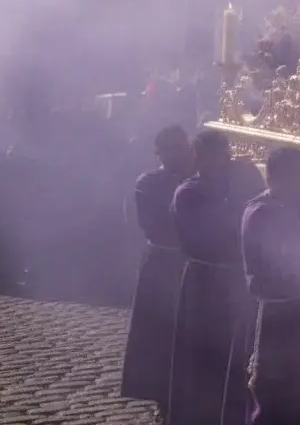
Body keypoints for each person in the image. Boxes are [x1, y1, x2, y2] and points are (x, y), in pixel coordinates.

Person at [167, 130, 263, 425]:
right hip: (205, 280)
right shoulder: (188, 192)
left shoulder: (242, 181)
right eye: (207, 157)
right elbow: (213, 236)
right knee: (202, 354)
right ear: (197, 158)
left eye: (221, 156)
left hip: (236, 283)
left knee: (237, 357)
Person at [240, 146, 300, 425]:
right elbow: (273, 267)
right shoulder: (260, 213)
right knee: (274, 392)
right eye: (293, 178)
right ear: (274, 179)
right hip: (278, 317)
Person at [120, 125, 192, 420]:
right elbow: (153, 225)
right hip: (162, 263)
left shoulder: (196, 181)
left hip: (187, 265)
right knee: (158, 333)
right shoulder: (148, 183)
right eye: (170, 149)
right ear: (160, 153)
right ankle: (161, 394)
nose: (177, 154)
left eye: (181, 148)